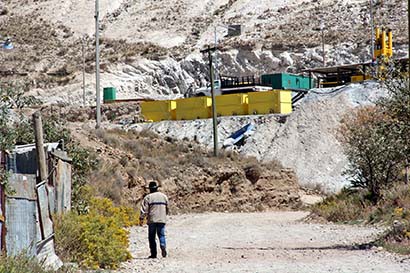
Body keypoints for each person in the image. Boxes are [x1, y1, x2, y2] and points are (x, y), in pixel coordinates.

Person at [139, 181, 169, 258]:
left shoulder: (148, 197)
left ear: (150, 189)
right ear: (156, 188)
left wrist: (141, 218)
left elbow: (144, 209)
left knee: (151, 237)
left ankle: (153, 254)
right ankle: (163, 245)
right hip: (162, 219)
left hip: (152, 219)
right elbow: (167, 208)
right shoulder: (164, 196)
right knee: (161, 235)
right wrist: (165, 215)